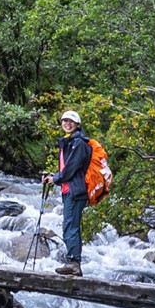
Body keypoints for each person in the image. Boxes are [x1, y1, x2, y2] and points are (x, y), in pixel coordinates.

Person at [47, 108, 108, 275]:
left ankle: (74, 263)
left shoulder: (78, 142)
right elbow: (67, 168)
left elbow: (72, 168)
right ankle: (72, 262)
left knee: (71, 227)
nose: (67, 124)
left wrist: (56, 179)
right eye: (64, 121)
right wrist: (54, 176)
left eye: (71, 121)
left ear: (77, 124)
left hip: (76, 191)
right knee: (69, 226)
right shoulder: (69, 141)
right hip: (71, 190)